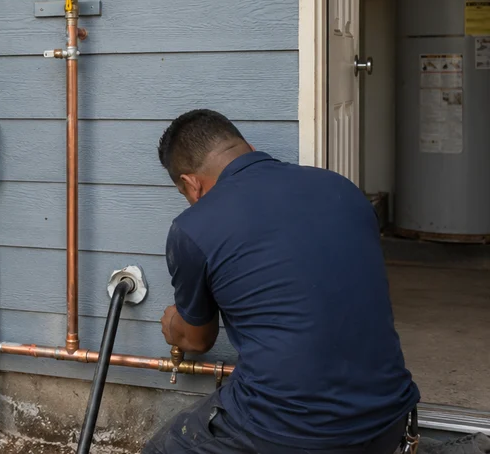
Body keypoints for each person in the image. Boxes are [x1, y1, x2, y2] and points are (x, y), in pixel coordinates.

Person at [143, 110, 419, 454]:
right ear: (249, 149)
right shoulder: (342, 188)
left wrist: (173, 324)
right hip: (389, 419)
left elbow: (198, 339)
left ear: (192, 184)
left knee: (163, 447)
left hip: (289, 432)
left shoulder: (193, 227)